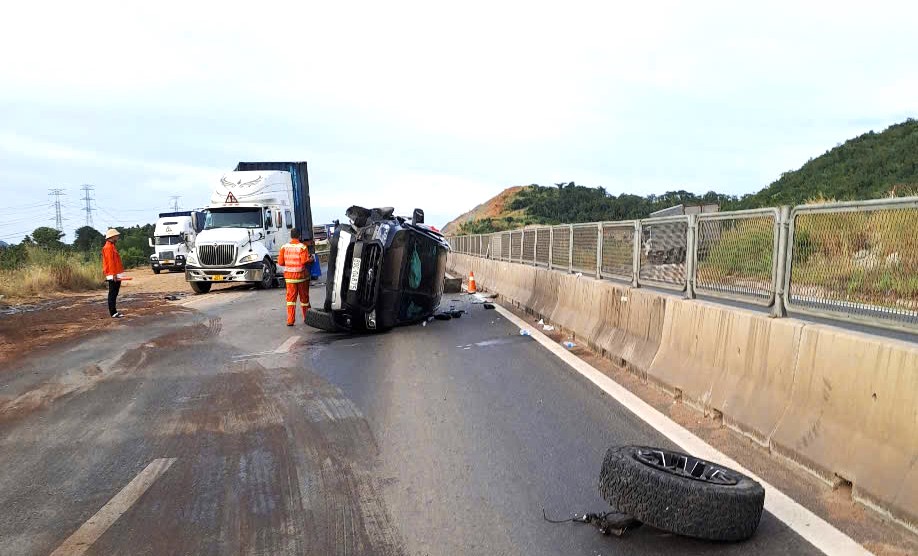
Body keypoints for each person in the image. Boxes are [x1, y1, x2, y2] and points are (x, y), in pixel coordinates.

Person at [277, 228, 313, 326]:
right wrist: (311, 259)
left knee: (290, 300)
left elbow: (280, 262)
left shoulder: (284, 247)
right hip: (301, 277)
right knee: (304, 299)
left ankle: (290, 320)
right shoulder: (302, 247)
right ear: (299, 236)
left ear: (291, 236)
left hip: (289, 277)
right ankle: (307, 318)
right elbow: (304, 261)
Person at [102, 228, 125, 318]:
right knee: (112, 293)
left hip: (115, 273)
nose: (118, 237)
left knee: (114, 293)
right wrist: (114, 274)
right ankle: (113, 312)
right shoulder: (108, 247)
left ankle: (114, 312)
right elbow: (110, 262)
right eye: (116, 236)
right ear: (112, 237)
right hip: (113, 274)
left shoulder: (111, 246)